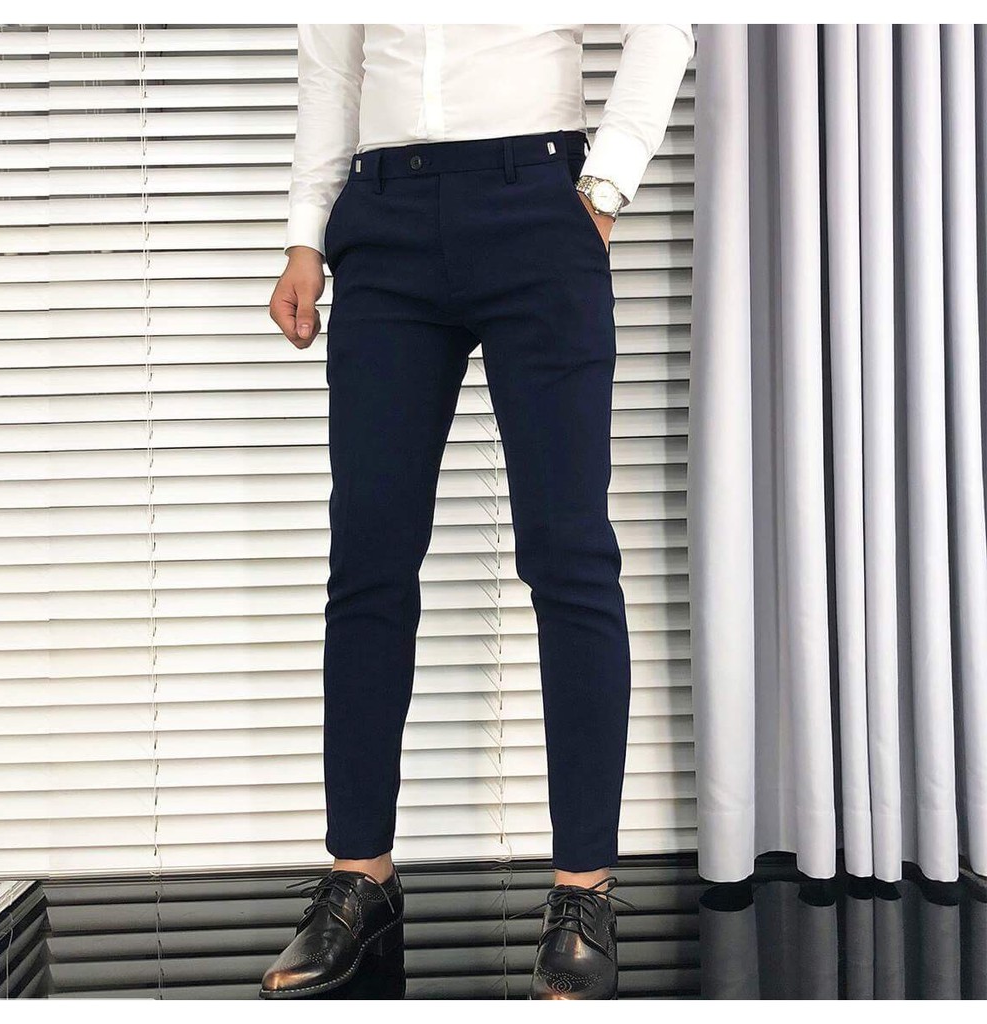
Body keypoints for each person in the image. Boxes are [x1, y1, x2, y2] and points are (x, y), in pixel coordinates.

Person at [262, 23, 694, 1000]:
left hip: (537, 205)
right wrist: (304, 236)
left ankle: (582, 890)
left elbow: (665, 20)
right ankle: (360, 876)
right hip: (382, 218)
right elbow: (330, 65)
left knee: (568, 554)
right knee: (367, 559)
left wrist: (606, 185)